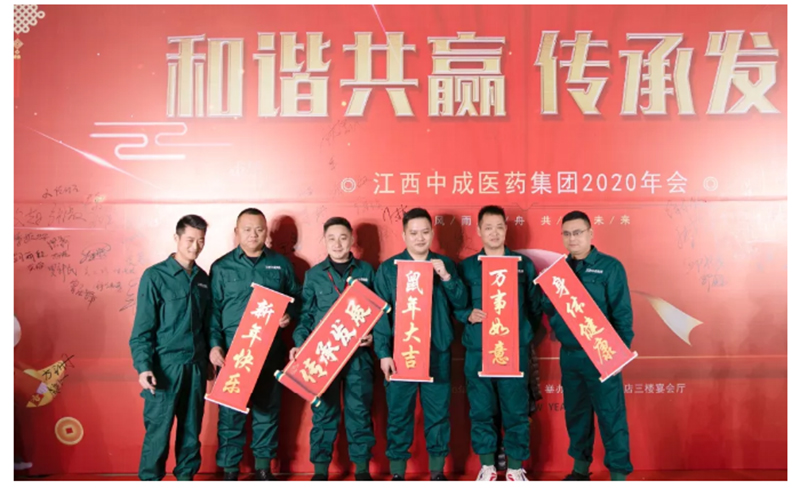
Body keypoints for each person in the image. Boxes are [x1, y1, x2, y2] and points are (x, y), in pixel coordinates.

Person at [372, 208, 467, 481]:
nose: (420, 238)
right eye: (413, 233)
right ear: (404, 235)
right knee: (399, 414)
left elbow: (461, 303)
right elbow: (380, 314)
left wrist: (446, 278)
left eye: (425, 232)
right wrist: (383, 353)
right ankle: (398, 473)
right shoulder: (389, 269)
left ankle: (437, 471)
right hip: (401, 353)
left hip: (437, 351)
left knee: (438, 414)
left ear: (432, 233)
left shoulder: (445, 264)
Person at [208, 208, 302, 481]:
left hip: (269, 351)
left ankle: (263, 468)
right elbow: (212, 312)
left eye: (259, 229)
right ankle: (230, 470)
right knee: (230, 413)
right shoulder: (221, 267)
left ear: (266, 232)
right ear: (236, 232)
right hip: (232, 353)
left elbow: (298, 298)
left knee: (267, 410)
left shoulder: (281, 265)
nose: (253, 234)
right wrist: (215, 345)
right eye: (247, 229)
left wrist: (289, 315)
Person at [542, 211, 634, 481]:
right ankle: (580, 470)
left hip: (602, 355)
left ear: (590, 233)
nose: (572, 238)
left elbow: (622, 316)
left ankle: (618, 476)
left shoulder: (610, 267)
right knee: (576, 415)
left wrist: (617, 356)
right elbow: (549, 308)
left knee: (611, 416)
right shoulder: (558, 272)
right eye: (567, 234)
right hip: (571, 356)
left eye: (578, 232)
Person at [454, 206, 542, 481]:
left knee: (516, 412)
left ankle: (515, 468)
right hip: (478, 352)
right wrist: (467, 314)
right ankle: (488, 467)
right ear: (479, 231)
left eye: (499, 227)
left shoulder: (523, 265)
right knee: (481, 411)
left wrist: (522, 332)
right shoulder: (467, 267)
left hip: (513, 351)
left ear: (506, 229)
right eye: (488, 227)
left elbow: (534, 307)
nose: (494, 233)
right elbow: (457, 303)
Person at [289, 217, 377, 481]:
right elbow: (305, 315)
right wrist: (299, 344)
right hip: (322, 356)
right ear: (324, 240)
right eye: (331, 238)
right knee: (323, 412)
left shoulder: (367, 271)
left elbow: (381, 312)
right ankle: (320, 471)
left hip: (358, 356)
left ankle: (362, 470)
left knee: (359, 412)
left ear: (352, 239)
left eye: (343, 237)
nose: (337, 244)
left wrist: (373, 336)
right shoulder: (314, 275)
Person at [129, 215, 213, 481]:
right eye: (190, 239)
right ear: (176, 238)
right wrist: (144, 368)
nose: (195, 246)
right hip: (164, 369)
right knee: (158, 433)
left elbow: (208, 325)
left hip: (196, 368)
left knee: (191, 433)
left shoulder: (203, 279)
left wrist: (209, 358)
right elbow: (141, 331)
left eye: (201, 241)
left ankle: (185, 481)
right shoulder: (155, 276)